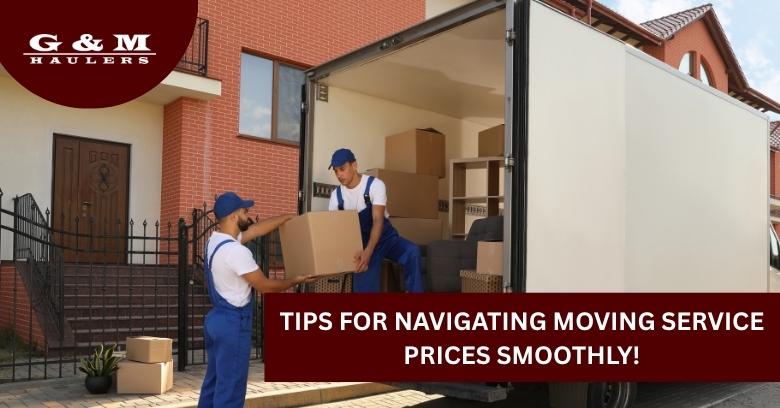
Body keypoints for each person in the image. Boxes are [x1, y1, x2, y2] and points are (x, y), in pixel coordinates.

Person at [198, 191, 315, 408]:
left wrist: (286, 218)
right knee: (230, 390)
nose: (248, 214)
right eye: (244, 211)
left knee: (214, 383)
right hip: (234, 324)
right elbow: (265, 286)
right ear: (234, 216)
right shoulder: (236, 252)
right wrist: (294, 281)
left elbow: (256, 229)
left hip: (216, 321)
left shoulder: (215, 241)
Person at [327, 148, 424, 293]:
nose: (339, 175)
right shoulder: (336, 196)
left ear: (354, 166)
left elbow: (378, 220)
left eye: (342, 169)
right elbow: (336, 229)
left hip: (386, 239)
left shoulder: (375, 185)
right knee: (365, 287)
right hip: (361, 245)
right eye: (336, 171)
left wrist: (369, 251)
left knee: (412, 251)